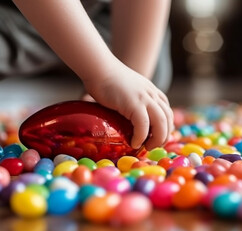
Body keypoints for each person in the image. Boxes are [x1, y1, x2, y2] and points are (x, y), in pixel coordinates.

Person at [1, 0, 174, 151]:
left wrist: (131, 77)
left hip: (93, 16)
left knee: (152, 74)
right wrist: (105, 74)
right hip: (10, 13)